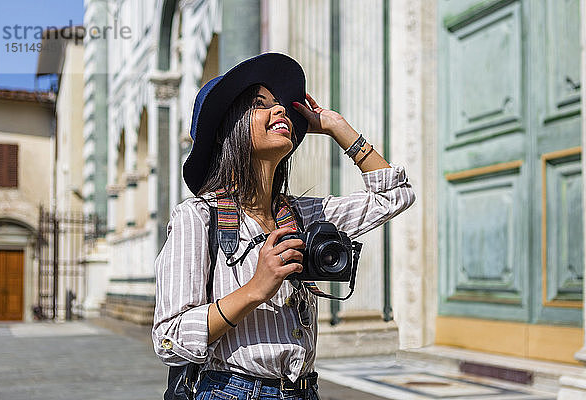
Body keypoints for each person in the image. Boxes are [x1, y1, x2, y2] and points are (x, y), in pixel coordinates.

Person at [152, 52, 415, 400]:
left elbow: (395, 195)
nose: (280, 111)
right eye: (261, 105)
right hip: (232, 391)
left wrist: (338, 128)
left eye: (280, 105)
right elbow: (170, 338)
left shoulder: (303, 215)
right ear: (224, 132)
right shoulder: (198, 218)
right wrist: (256, 289)